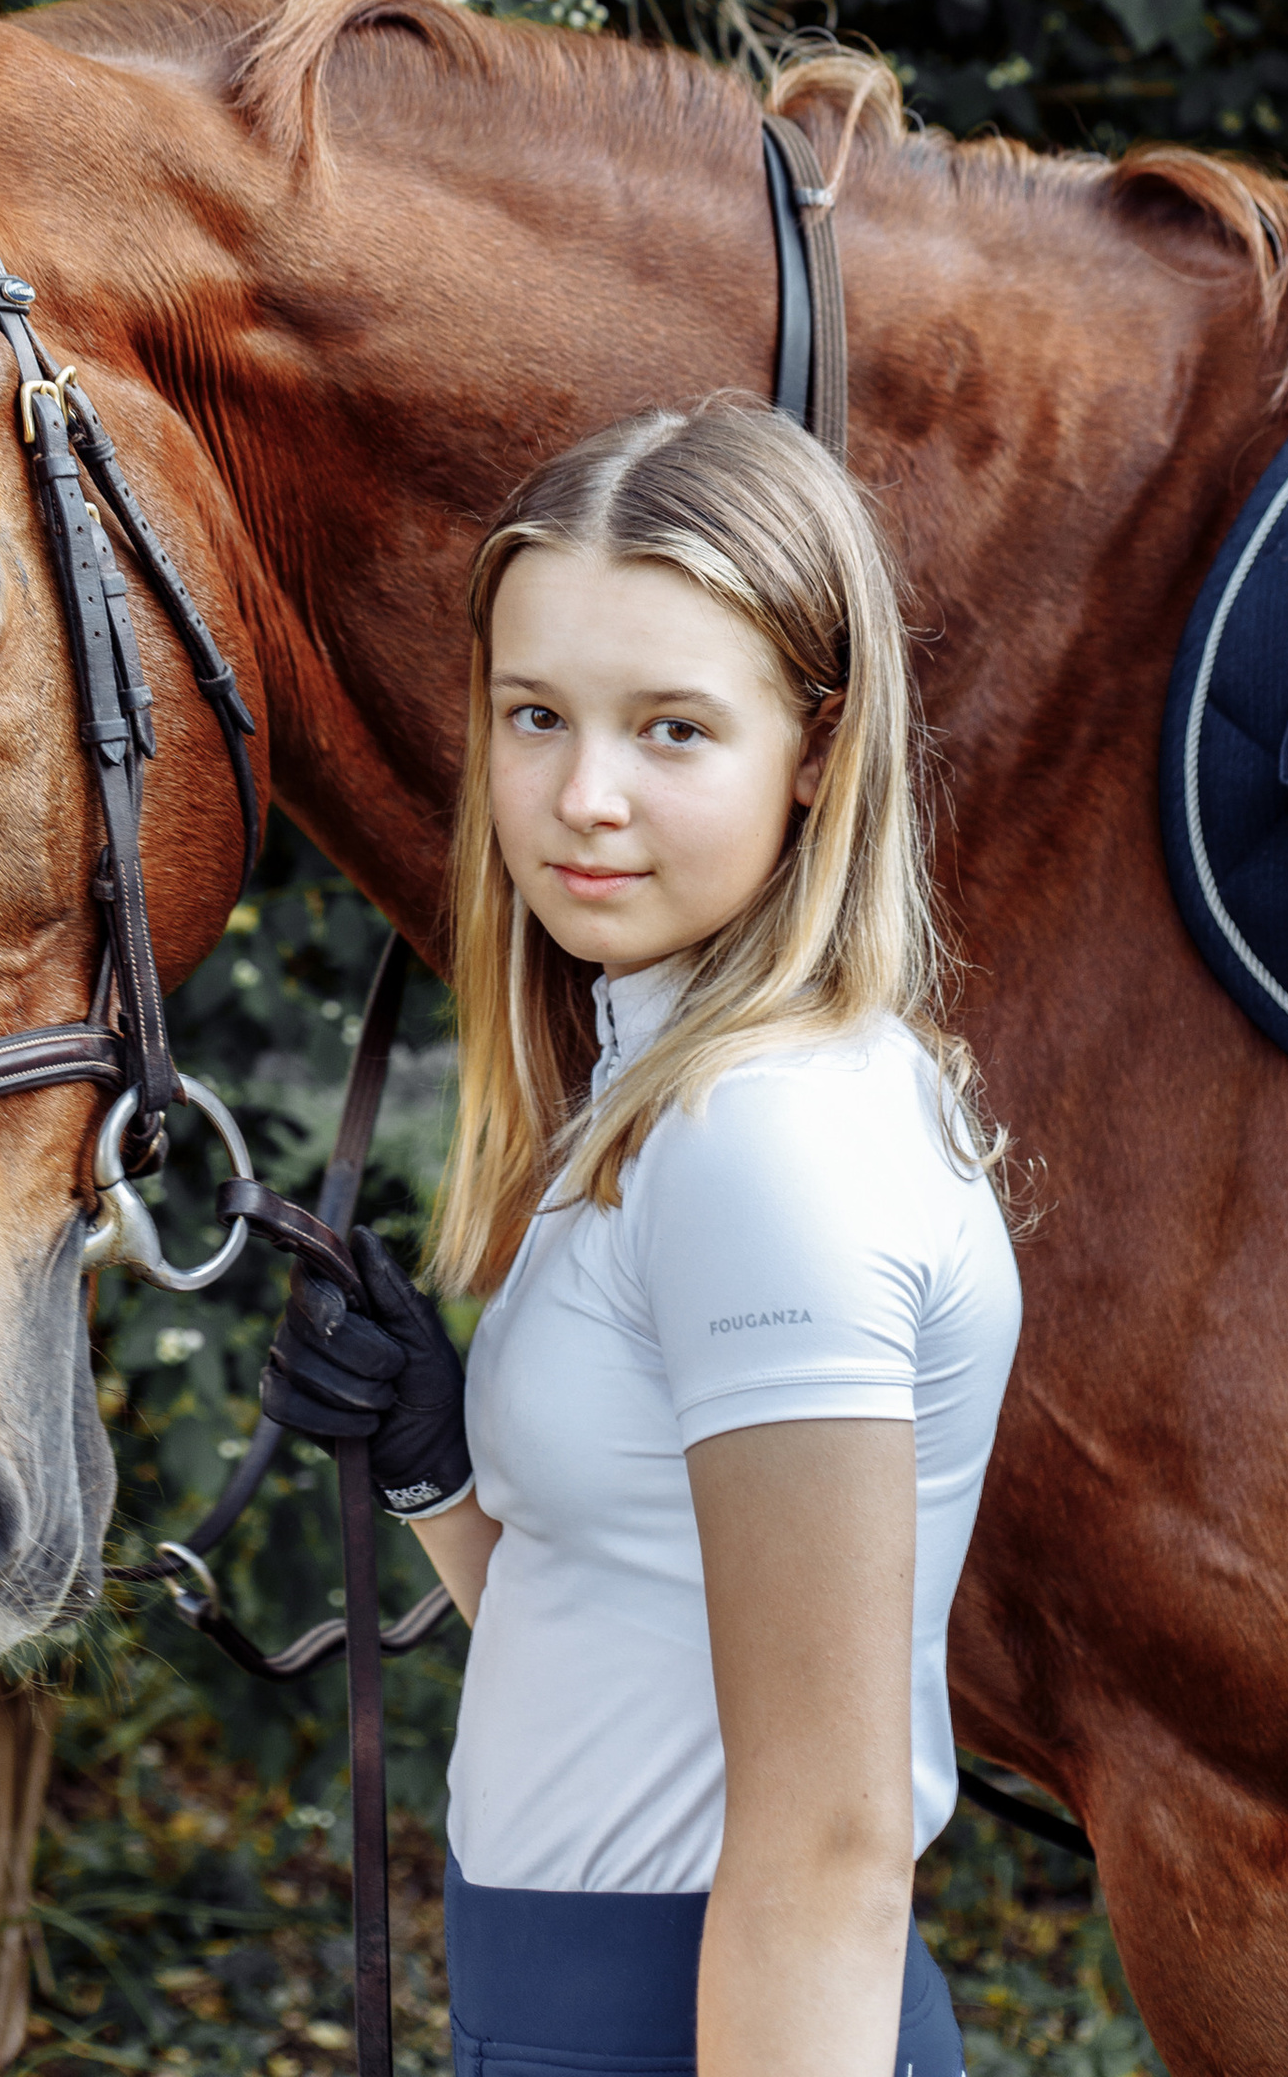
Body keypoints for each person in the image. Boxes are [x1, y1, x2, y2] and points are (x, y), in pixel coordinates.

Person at [261, 398, 1022, 2077]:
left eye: (674, 730)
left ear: (817, 748)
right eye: (537, 715)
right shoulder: (668, 1087)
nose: (581, 797)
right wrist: (433, 1464)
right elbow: (633, 1631)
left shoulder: (768, 1143)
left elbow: (825, 1845)